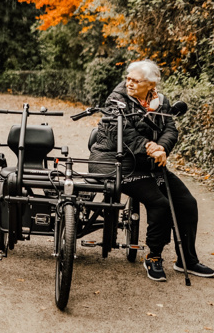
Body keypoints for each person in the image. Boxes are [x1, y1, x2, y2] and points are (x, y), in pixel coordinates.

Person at [89, 59, 214, 281]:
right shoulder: (116, 99)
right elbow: (121, 132)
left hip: (148, 163)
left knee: (187, 203)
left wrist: (161, 148)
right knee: (159, 203)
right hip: (113, 161)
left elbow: (170, 129)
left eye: (135, 81)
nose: (129, 83)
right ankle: (154, 257)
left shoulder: (161, 101)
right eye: (128, 78)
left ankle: (187, 260)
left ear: (151, 83)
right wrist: (149, 147)